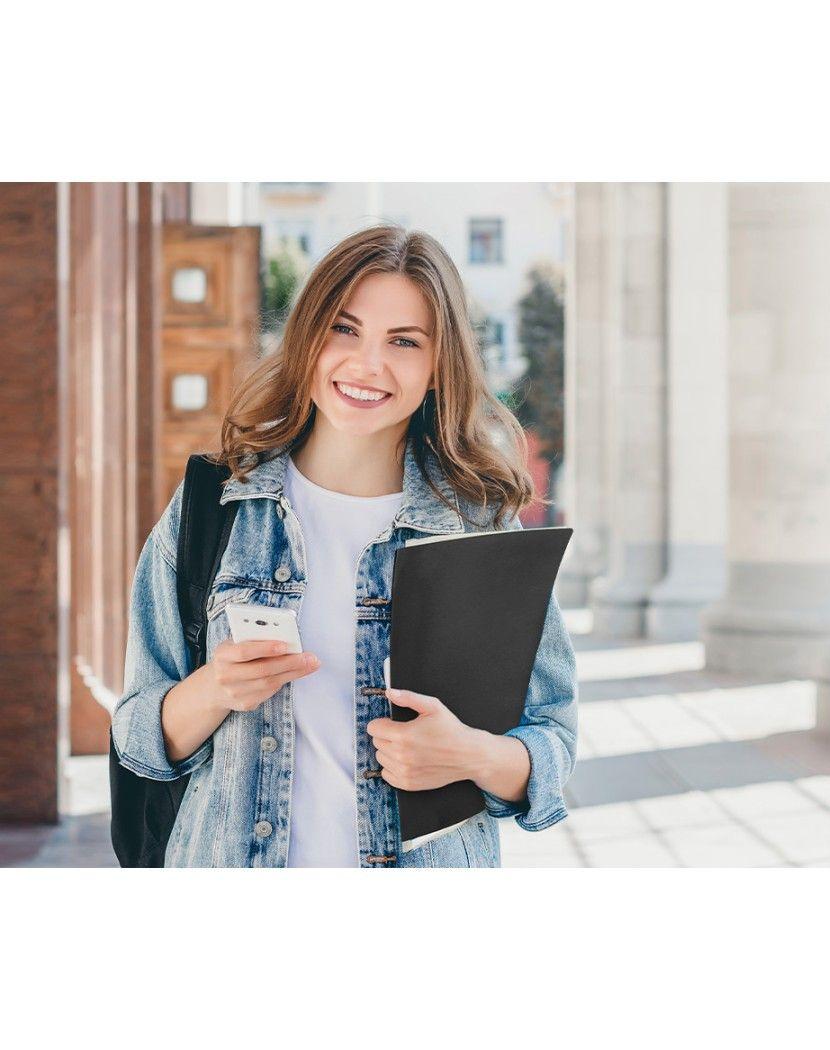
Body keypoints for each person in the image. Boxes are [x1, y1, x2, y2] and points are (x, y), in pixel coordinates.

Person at [111, 224, 578, 868]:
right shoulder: (215, 507)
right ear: (307, 338)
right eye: (344, 328)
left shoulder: (480, 526)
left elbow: (552, 739)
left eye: (405, 342)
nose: (367, 364)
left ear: (440, 366)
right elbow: (136, 730)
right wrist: (214, 688)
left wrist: (471, 754)